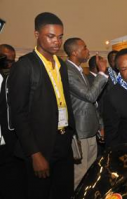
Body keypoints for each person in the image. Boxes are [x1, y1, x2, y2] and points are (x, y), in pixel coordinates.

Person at [8, 12, 75, 198]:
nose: (57, 42)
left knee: (64, 192)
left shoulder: (61, 64)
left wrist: (71, 135)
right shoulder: (24, 66)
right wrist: (34, 154)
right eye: (51, 36)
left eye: (60, 37)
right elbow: (18, 114)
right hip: (40, 145)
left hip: (63, 141)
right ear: (37, 34)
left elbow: (64, 101)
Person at [64, 37, 108, 189]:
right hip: (80, 131)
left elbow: (91, 103)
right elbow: (90, 96)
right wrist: (102, 73)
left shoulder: (79, 70)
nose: (88, 51)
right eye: (85, 48)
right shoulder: (68, 71)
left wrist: (99, 125)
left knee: (90, 173)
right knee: (80, 175)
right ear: (75, 52)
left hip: (90, 127)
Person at [0, 50, 27, 199]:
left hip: (9, 146)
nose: (9, 65)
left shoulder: (9, 80)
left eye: (11, 61)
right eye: (7, 61)